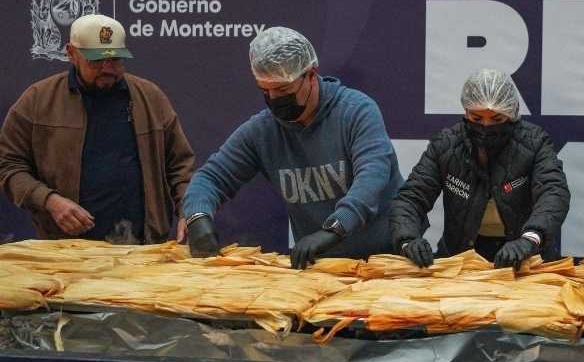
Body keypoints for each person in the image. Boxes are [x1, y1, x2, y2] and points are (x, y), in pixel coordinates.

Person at [183, 27, 402, 269]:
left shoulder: (357, 111)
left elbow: (372, 178)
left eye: (283, 90)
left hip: (386, 261)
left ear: (311, 74)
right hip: (321, 268)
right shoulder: (263, 130)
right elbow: (211, 177)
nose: (275, 99)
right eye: (266, 91)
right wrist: (197, 216)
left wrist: (335, 228)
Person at [0, 14, 194, 244]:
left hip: (143, 248)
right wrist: (50, 201)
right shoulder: (38, 101)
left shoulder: (150, 98)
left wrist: (189, 212)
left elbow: (180, 167)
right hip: (66, 248)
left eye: (116, 60)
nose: (107, 68)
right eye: (96, 60)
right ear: (71, 53)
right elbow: (8, 165)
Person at [390, 68, 570, 269]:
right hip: (459, 261)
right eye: (476, 119)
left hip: (526, 259)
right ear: (465, 111)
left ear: (511, 114)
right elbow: (411, 197)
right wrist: (407, 239)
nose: (485, 126)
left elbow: (553, 192)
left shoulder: (534, 142)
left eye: (496, 119)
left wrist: (531, 238)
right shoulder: (446, 144)